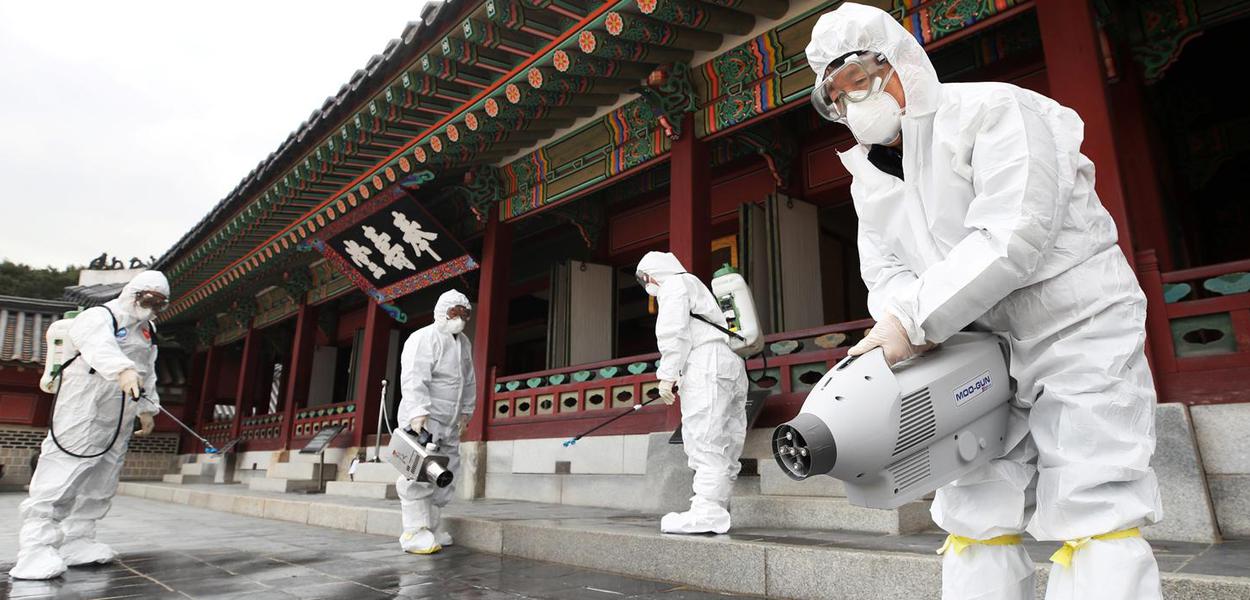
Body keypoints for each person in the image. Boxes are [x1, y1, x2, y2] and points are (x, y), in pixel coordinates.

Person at [806, 4, 1163, 599]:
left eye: (860, 80)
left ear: (898, 63)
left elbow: (1013, 233)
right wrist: (904, 321)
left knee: (1093, 496)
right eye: (837, 95)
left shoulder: (995, 110)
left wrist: (914, 321)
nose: (853, 101)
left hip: (1073, 325)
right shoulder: (868, 178)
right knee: (973, 502)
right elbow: (886, 270)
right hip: (971, 345)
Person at [10, 271, 168, 580]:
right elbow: (98, 347)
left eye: (160, 304)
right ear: (134, 293)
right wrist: (122, 369)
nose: (153, 308)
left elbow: (147, 371)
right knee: (62, 474)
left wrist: (148, 409)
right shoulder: (100, 317)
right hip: (84, 408)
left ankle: (78, 538)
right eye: (149, 300)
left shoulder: (147, 331)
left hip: (121, 413)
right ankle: (35, 549)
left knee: (102, 479)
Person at [635, 251, 748, 535]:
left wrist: (667, 376)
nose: (649, 286)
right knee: (728, 436)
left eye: (646, 280)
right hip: (730, 361)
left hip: (706, 361)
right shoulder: (695, 284)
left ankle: (707, 511)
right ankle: (717, 506)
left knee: (704, 435)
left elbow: (674, 332)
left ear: (651, 274)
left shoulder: (673, 285)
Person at [395, 289, 475, 554]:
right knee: (417, 474)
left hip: (450, 421)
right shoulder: (423, 338)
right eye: (455, 313)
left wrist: (466, 411)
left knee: (444, 474)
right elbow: (415, 376)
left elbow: (468, 379)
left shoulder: (464, 342)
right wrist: (418, 411)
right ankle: (414, 531)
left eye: (465, 314)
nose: (460, 319)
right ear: (442, 311)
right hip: (425, 419)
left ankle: (432, 525)